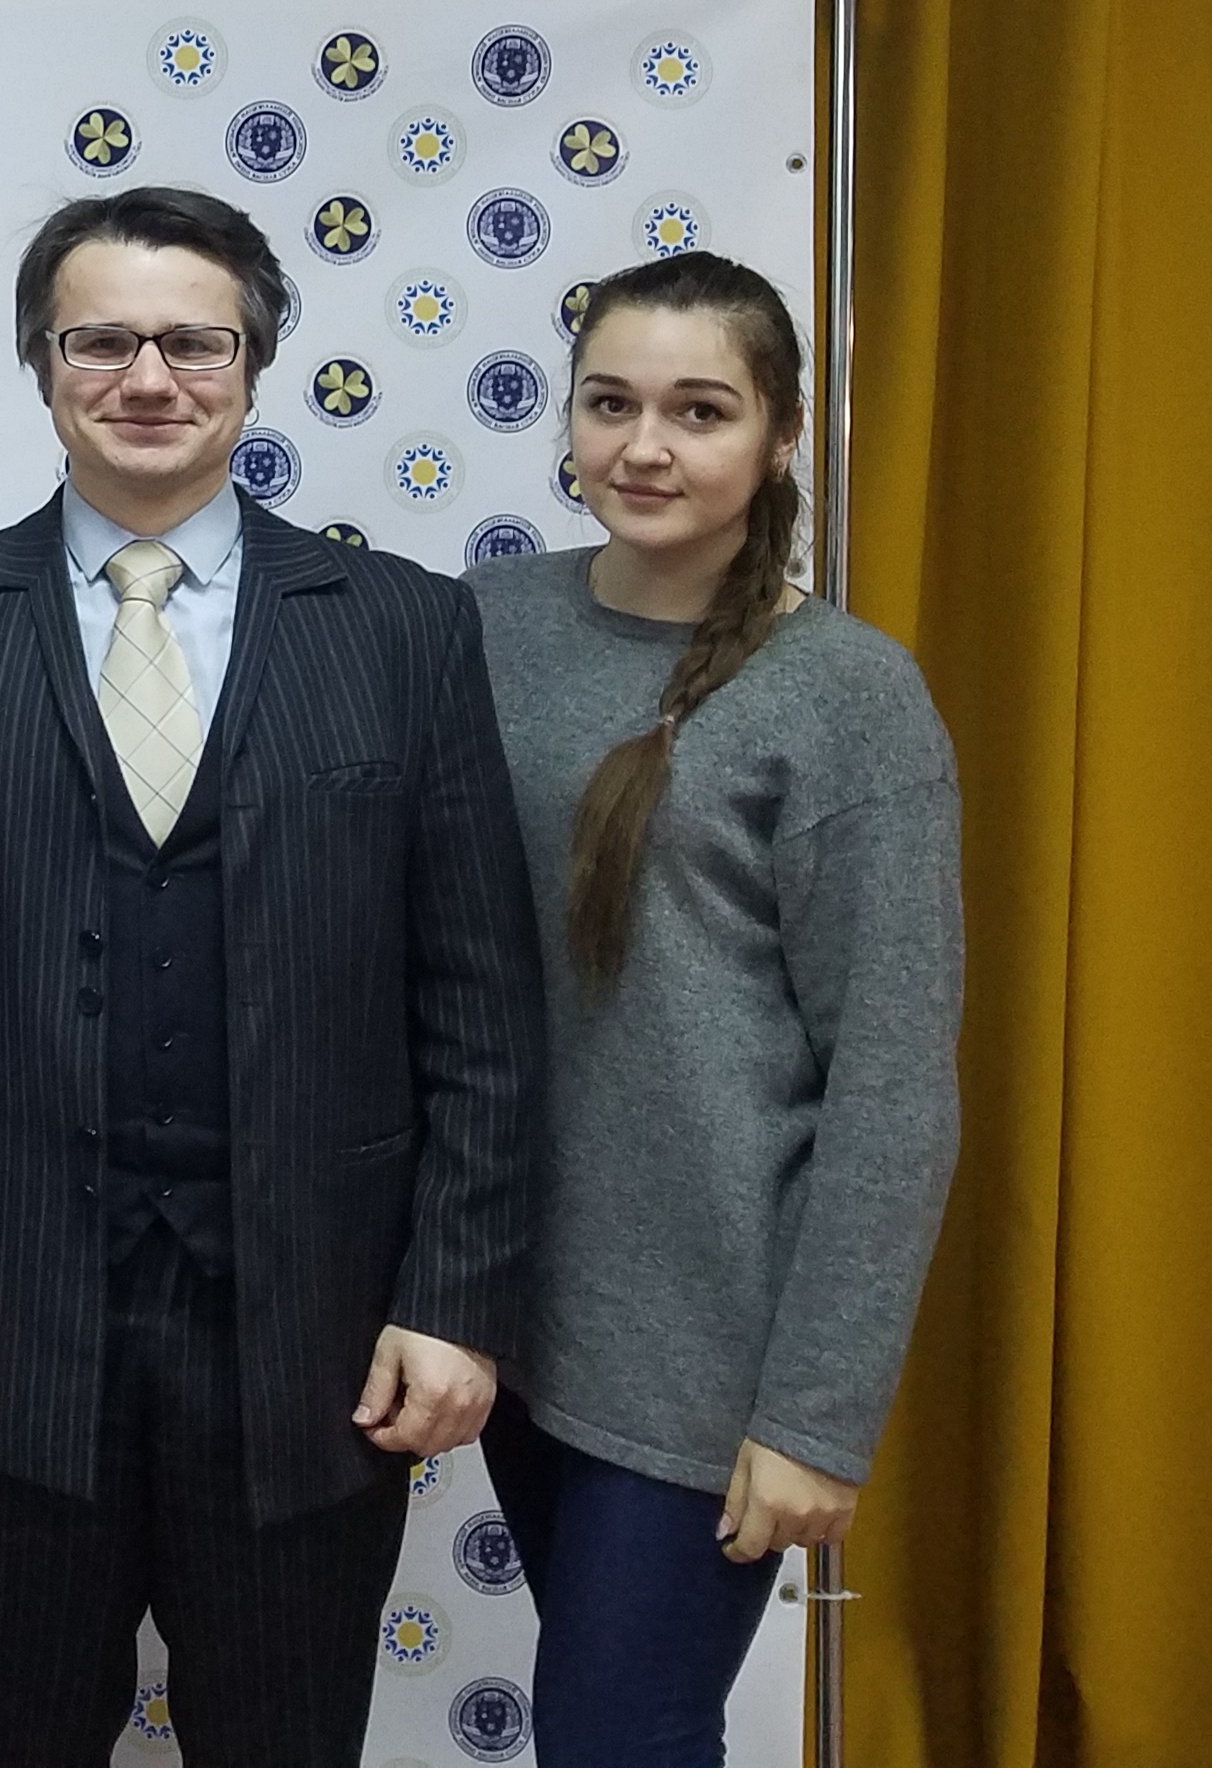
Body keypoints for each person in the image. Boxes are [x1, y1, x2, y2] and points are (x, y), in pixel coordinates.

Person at [0, 184, 543, 1768]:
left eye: (194, 343)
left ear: (253, 366)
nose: (149, 377)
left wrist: (454, 1300)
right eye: (102, 341)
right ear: (43, 364)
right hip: (3, 1334)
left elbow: (479, 1006)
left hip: (318, 1343)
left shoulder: (404, 631)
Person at [467, 251, 961, 1768]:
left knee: (620, 1735)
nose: (646, 447)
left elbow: (893, 1086)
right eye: (609, 403)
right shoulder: (483, 624)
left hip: (705, 1354)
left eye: (700, 410)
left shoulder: (849, 695)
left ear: (784, 434)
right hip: (510, 1318)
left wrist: (816, 1418)